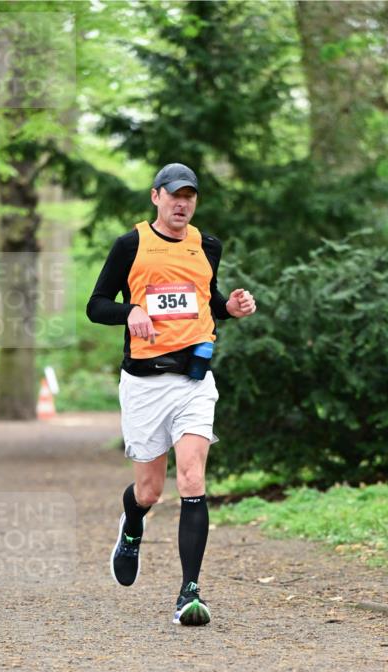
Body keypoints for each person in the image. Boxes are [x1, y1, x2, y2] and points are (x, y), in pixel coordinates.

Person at [86, 163, 256, 625]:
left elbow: (207, 300)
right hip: (144, 383)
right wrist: (130, 311)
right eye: (174, 195)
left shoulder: (207, 246)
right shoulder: (131, 245)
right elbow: (96, 305)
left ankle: (189, 594)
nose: (183, 204)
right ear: (156, 197)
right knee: (149, 490)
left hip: (194, 381)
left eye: (190, 196)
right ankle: (132, 526)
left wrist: (231, 307)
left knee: (193, 479)